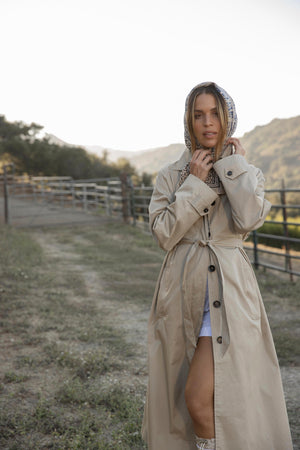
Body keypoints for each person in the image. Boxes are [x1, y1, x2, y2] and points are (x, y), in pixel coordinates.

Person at [141, 82, 293, 450]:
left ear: (228, 118)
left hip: (229, 292)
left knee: (206, 397)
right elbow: (163, 233)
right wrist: (193, 183)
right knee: (183, 397)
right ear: (188, 120)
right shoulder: (171, 174)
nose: (207, 123)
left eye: (215, 113)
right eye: (198, 114)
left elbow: (248, 220)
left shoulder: (246, 172)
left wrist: (233, 169)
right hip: (181, 292)